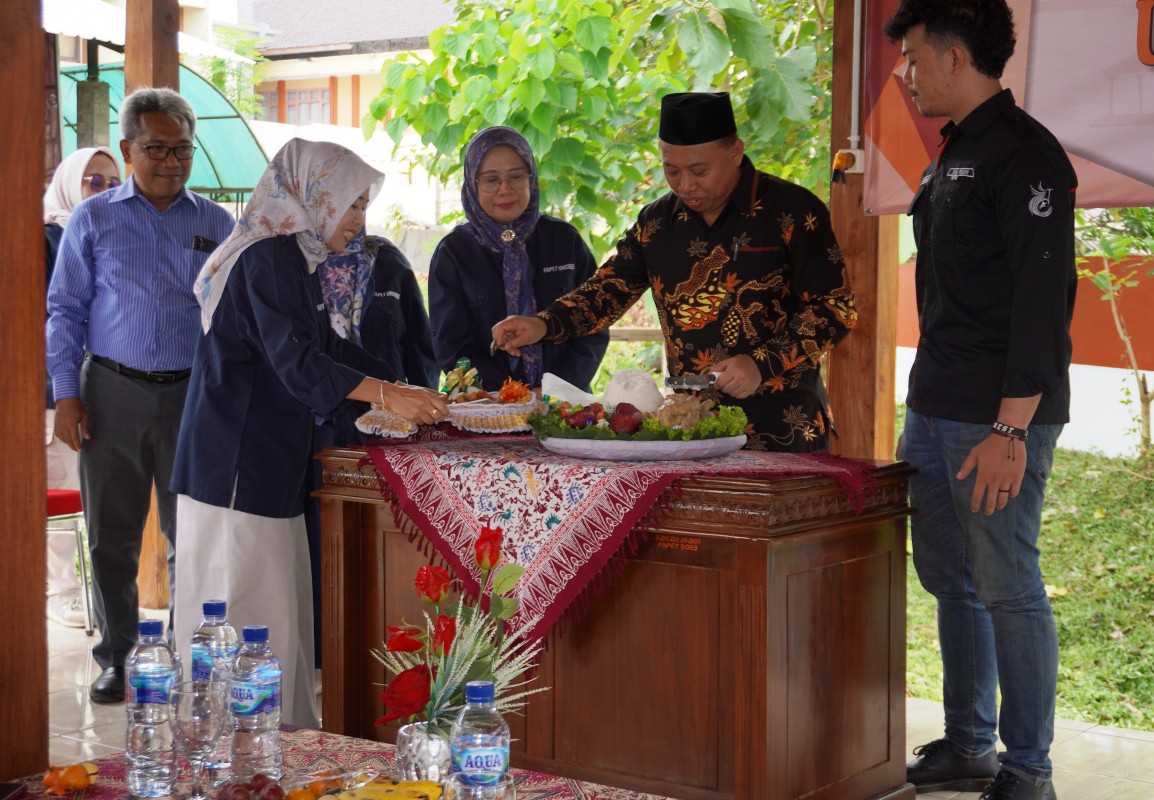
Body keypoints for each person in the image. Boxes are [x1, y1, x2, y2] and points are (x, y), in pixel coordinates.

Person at [169, 138, 448, 729]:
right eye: (351, 205)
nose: (359, 221)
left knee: (275, 616)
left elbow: (326, 348)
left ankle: (281, 747)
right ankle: (235, 752)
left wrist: (400, 388)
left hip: (264, 462)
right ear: (313, 196)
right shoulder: (269, 257)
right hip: (236, 469)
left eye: (363, 207)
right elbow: (297, 360)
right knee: (241, 613)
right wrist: (385, 392)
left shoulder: (295, 256)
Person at [883, 2, 1076, 798]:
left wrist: (1010, 430)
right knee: (947, 577)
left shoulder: (1028, 156)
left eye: (917, 57)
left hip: (997, 413)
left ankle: (1028, 770)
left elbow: (1042, 299)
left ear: (957, 56)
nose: (907, 73)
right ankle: (970, 743)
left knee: (1007, 584)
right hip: (935, 402)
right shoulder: (955, 150)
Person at [491, 93, 856, 450]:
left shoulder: (791, 211)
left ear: (735, 151)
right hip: (688, 430)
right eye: (671, 170)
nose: (685, 185)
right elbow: (609, 289)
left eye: (699, 170)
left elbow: (835, 309)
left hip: (782, 427)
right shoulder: (657, 222)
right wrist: (543, 324)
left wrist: (762, 363)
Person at [47, 88, 235, 703]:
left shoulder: (216, 223)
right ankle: (117, 658)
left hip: (192, 396)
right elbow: (65, 311)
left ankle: (185, 655)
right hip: (110, 394)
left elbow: (234, 316)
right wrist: (66, 395)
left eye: (182, 150)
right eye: (156, 149)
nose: (171, 162)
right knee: (112, 535)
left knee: (195, 534)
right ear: (129, 149)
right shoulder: (93, 218)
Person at [429, 126, 608, 392]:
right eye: (491, 179)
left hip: (563, 404)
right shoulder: (454, 252)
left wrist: (555, 389)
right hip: (484, 405)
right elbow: (450, 347)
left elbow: (594, 321)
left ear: (532, 179)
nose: (505, 189)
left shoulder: (564, 240)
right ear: (472, 183)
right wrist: (509, 396)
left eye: (516, 176)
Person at [43, 146, 122, 628]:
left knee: (80, 491)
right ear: (72, 182)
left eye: (114, 183)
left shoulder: (109, 232)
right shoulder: (49, 235)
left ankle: (72, 588)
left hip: (100, 384)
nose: (105, 191)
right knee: (56, 489)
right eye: (94, 182)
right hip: (53, 390)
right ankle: (62, 590)